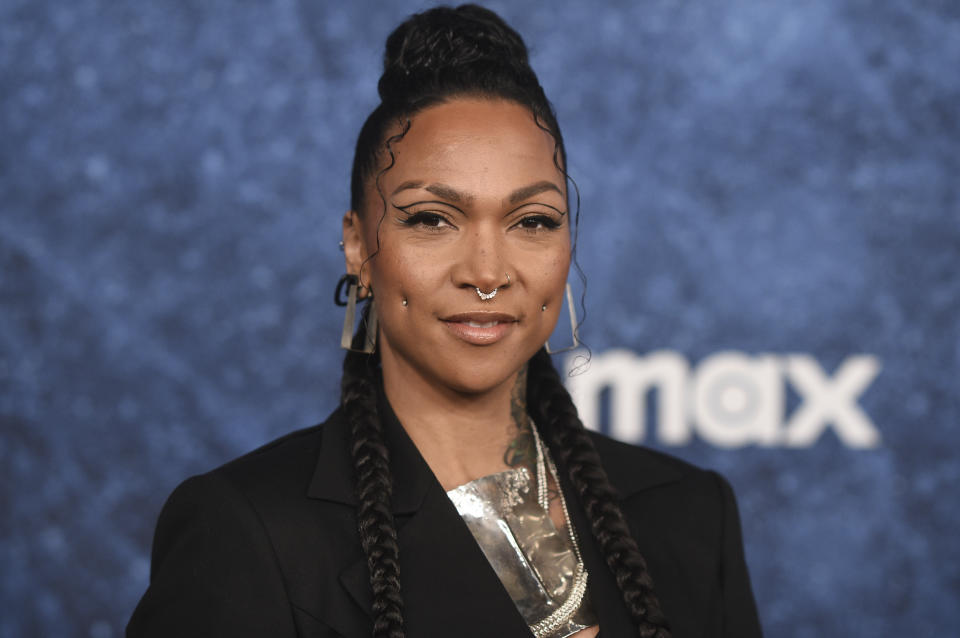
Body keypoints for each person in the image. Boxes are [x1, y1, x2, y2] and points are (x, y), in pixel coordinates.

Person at [127, 5, 762, 638]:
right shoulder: (247, 532)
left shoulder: (691, 514)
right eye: (432, 219)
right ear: (357, 247)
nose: (487, 272)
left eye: (532, 221)